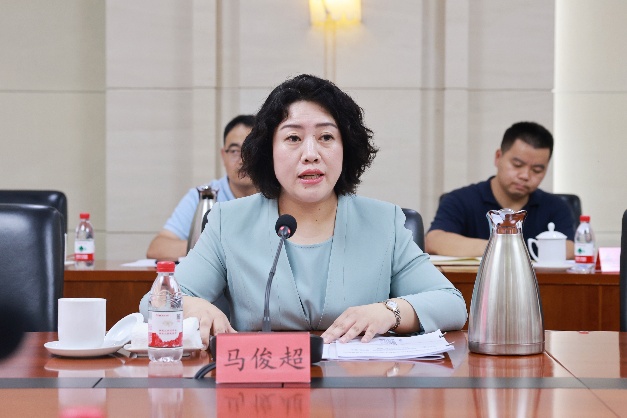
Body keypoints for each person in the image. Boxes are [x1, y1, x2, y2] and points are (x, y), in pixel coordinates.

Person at [141, 74, 467, 346]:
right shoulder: (229, 221)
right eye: (293, 138)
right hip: (261, 388)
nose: (311, 153)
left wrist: (390, 312)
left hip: (359, 387)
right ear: (269, 151)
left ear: (346, 148)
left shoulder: (384, 223)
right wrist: (193, 306)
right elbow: (154, 302)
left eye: (325, 137)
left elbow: (451, 303)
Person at [425, 121, 575, 258]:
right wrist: (502, 248)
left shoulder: (556, 207)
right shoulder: (460, 200)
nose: (525, 175)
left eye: (536, 170)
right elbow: (434, 241)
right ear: (498, 157)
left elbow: (570, 249)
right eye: (517, 165)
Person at [146, 115, 257, 261]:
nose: (242, 160)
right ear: (223, 156)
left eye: (250, 150)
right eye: (234, 151)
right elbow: (158, 248)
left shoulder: (280, 194)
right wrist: (215, 246)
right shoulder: (203, 196)